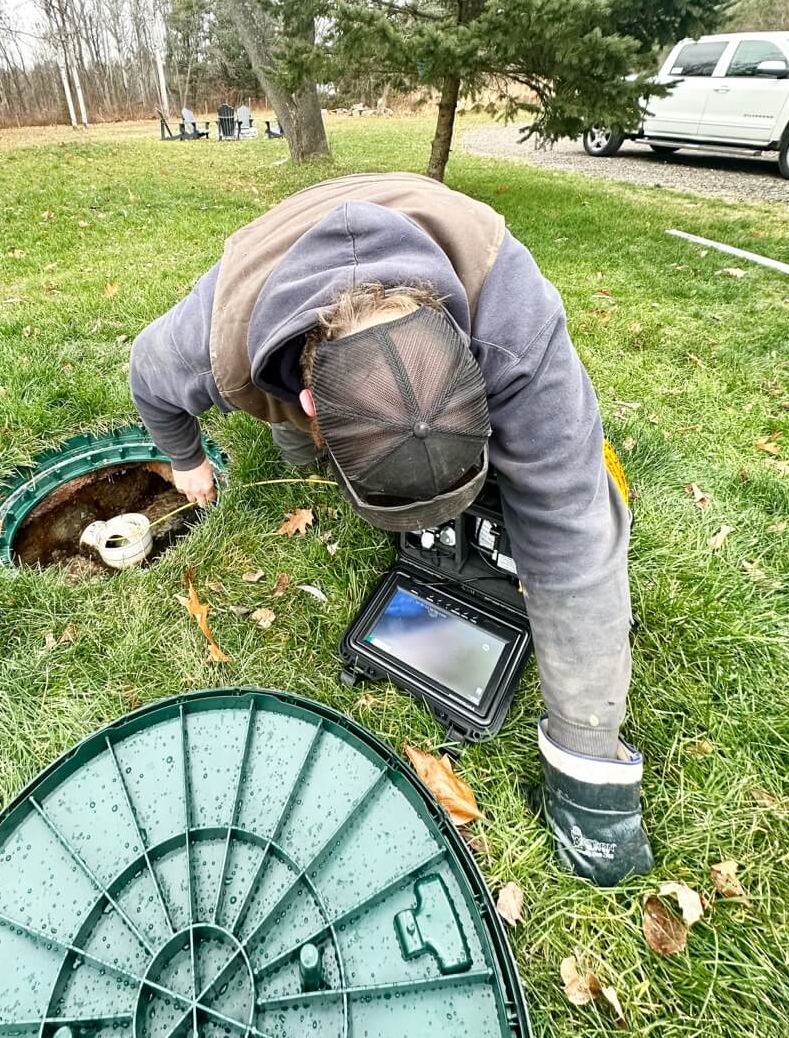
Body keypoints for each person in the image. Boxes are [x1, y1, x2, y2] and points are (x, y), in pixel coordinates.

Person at [129, 171, 654, 886]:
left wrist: (590, 764)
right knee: (279, 433)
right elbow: (145, 380)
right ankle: (304, 435)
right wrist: (185, 459)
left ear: (481, 368)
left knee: (576, 484)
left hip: (438, 248)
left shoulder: (513, 320)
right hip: (274, 283)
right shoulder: (207, 345)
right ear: (312, 404)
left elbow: (573, 533)